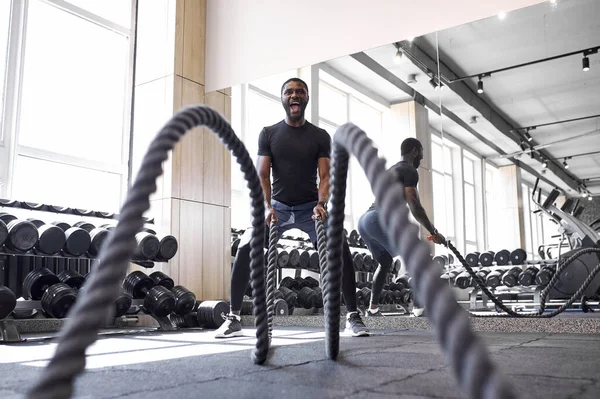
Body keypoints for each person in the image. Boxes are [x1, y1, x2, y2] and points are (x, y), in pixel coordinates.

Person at [215, 77, 369, 338]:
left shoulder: (320, 136)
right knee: (244, 246)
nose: (294, 96)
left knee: (339, 244)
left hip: (311, 208)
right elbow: (262, 176)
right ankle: (234, 317)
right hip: (278, 207)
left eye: (300, 92)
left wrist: (322, 204)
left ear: (306, 98)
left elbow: (326, 177)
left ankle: (353, 316)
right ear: (283, 98)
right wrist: (266, 207)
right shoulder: (269, 133)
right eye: (289, 92)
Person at [357, 138, 446, 317]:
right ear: (414, 151)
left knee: (385, 262)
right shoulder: (409, 170)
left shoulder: (391, 170)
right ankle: (419, 308)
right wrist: (434, 232)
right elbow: (415, 206)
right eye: (421, 152)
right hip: (378, 218)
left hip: (365, 220)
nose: (422, 157)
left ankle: (372, 309)